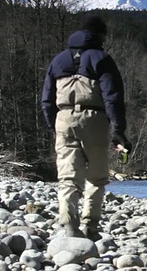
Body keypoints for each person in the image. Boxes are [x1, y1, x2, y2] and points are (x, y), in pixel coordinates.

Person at [41, 15, 131, 240]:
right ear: (100, 35)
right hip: (94, 117)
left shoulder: (58, 60)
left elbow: (46, 100)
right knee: (96, 177)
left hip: (63, 117)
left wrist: (54, 124)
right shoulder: (102, 58)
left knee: (68, 177)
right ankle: (90, 226)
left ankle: (68, 225)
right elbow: (113, 97)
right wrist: (119, 131)